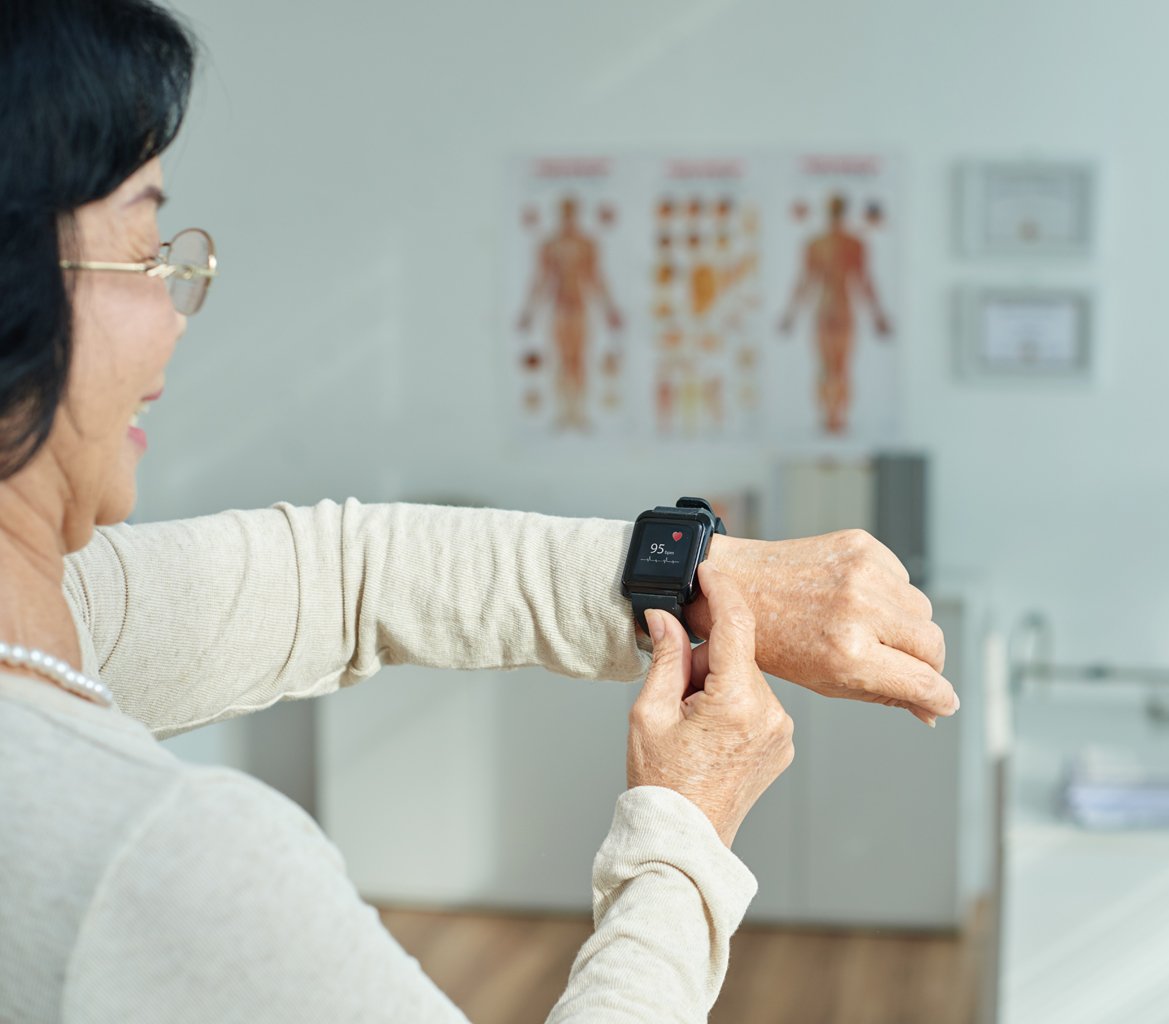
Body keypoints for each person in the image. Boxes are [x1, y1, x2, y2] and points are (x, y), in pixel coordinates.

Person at [0, 2, 955, 1022]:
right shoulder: (169, 861)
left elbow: (343, 575)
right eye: (147, 247)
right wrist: (681, 838)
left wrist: (709, 580)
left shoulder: (61, 627)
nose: (176, 308)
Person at [778, 193, 892, 435]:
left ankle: (833, 417)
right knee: (836, 368)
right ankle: (831, 417)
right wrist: (878, 316)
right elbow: (860, 283)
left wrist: (790, 315)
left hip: (829, 310)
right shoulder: (843, 244)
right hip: (838, 309)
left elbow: (860, 282)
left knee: (831, 367)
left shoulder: (827, 243)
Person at [516, 195, 625, 431]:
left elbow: (596, 279)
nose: (568, 218)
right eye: (564, 213)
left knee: (579, 359)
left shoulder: (588, 244)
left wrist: (610, 310)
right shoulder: (549, 244)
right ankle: (563, 412)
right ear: (559, 214)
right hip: (558, 307)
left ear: (576, 214)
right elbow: (541, 281)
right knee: (561, 358)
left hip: (580, 307)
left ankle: (580, 412)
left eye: (571, 212)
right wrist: (528, 312)